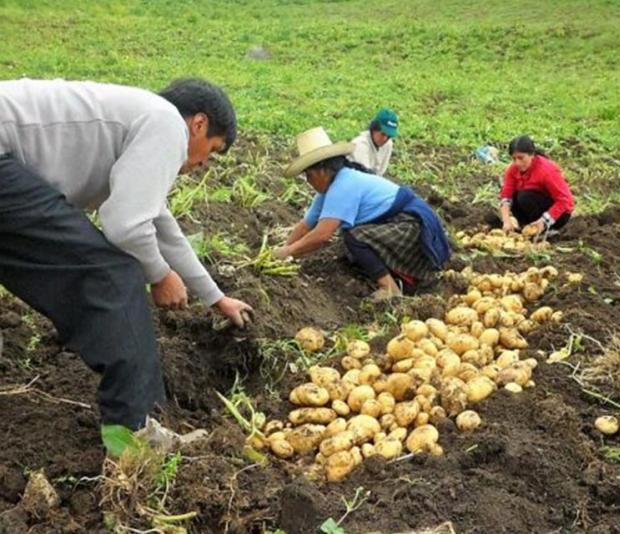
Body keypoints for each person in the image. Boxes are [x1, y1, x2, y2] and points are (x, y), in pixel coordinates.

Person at [0, 78, 253, 456]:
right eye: (211, 152)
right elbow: (126, 226)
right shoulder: (166, 122)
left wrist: (216, 298)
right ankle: (135, 435)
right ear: (198, 124)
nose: (202, 165)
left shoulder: (138, 117)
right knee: (114, 275)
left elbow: (161, 227)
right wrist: (159, 275)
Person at [278, 127, 449, 299]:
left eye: (309, 175)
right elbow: (306, 225)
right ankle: (391, 277)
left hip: (412, 226)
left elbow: (322, 235)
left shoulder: (343, 185)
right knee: (352, 242)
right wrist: (284, 250)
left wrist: (289, 251)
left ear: (322, 170)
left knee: (355, 237)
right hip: (395, 221)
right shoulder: (328, 189)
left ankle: (390, 288)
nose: (308, 181)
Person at [499, 135, 574, 235]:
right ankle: (527, 226)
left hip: (558, 214)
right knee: (515, 197)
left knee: (525, 196)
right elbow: (506, 197)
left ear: (532, 155)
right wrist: (506, 221)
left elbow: (565, 201)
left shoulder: (547, 171)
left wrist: (544, 221)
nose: (517, 163)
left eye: (521, 158)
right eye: (514, 159)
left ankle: (545, 229)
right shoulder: (512, 170)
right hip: (533, 208)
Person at [348, 108, 398, 176]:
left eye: (389, 136)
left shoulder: (388, 144)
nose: (385, 139)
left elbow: (380, 173)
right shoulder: (360, 145)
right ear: (374, 128)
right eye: (383, 134)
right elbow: (365, 177)